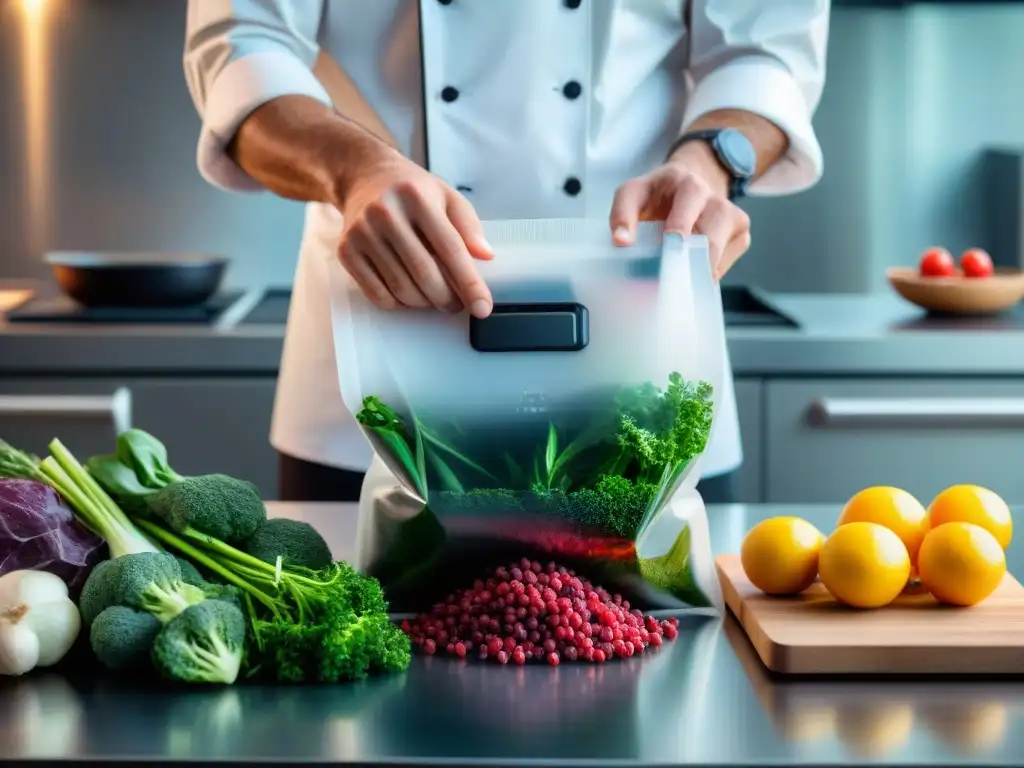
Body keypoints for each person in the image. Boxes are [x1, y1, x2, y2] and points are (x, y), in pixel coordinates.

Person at [184, 1, 830, 504]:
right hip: (381, 345)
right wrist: (355, 170)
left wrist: (710, 165)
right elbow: (241, 49)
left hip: (639, 343)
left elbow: (765, 50)